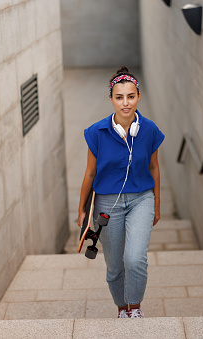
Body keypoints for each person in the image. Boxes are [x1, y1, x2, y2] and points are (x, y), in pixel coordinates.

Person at [77, 66, 165, 318]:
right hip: (107, 204)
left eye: (130, 96)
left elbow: (154, 168)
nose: (125, 103)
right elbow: (90, 174)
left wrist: (157, 205)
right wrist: (82, 210)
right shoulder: (96, 132)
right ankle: (121, 309)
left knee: (135, 258)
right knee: (115, 266)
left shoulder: (149, 130)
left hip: (141, 199)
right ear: (111, 99)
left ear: (138, 96)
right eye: (119, 97)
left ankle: (135, 308)